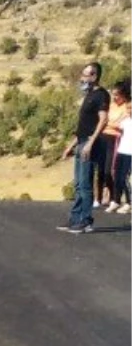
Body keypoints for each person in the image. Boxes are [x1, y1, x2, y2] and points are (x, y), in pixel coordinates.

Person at [59, 61, 110, 233]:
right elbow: (84, 125)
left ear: (95, 76)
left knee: (86, 184)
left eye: (86, 75)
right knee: (79, 184)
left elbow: (103, 120)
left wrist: (90, 143)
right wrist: (70, 146)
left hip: (90, 144)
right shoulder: (89, 95)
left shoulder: (101, 95)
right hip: (81, 142)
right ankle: (75, 218)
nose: (82, 78)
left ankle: (86, 221)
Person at [99, 78, 130, 209]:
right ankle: (112, 197)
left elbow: (120, 125)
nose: (115, 97)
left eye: (117, 95)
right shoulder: (111, 104)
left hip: (115, 139)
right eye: (114, 94)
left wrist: (107, 123)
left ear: (124, 95)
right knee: (103, 170)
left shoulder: (127, 107)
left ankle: (119, 199)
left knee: (111, 169)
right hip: (103, 137)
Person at [113, 80, 132, 212]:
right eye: (128, 107)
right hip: (121, 151)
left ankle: (129, 202)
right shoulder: (126, 120)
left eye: (131, 108)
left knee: (125, 177)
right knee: (118, 176)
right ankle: (117, 200)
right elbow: (116, 124)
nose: (129, 110)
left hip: (130, 153)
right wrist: (125, 115)